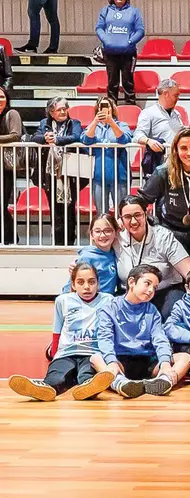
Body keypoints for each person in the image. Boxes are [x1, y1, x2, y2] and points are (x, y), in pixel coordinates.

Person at [8, 264, 114, 401]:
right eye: (80, 282)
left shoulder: (108, 300)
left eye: (92, 282)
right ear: (73, 285)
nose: (87, 287)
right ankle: (43, 389)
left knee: (86, 376)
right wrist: (54, 356)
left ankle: (88, 389)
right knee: (57, 377)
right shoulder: (63, 300)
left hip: (93, 354)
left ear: (98, 284)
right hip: (66, 353)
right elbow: (57, 331)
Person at [137, 127, 190, 265]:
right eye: (184, 148)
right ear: (176, 150)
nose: (189, 153)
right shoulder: (163, 172)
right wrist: (150, 221)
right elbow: (140, 200)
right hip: (172, 233)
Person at [96, 264, 180, 398]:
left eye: (155, 287)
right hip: (120, 362)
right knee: (96, 358)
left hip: (146, 361)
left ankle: (163, 382)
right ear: (131, 282)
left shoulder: (152, 311)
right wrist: (111, 361)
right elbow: (105, 338)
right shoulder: (110, 308)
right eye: (147, 283)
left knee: (184, 358)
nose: (151, 290)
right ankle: (121, 384)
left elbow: (160, 338)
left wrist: (164, 363)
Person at [114, 196, 190, 318]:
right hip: (131, 293)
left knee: (170, 314)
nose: (133, 222)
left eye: (138, 215)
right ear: (121, 219)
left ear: (146, 213)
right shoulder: (117, 237)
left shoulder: (163, 236)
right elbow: (98, 242)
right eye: (127, 217)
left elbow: (189, 271)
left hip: (164, 292)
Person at [31, 96, 86, 246]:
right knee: (55, 209)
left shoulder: (74, 123)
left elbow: (76, 137)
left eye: (65, 108)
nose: (63, 111)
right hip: (50, 173)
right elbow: (35, 137)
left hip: (70, 172)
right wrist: (45, 138)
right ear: (51, 112)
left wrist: (56, 140)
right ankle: (58, 242)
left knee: (69, 207)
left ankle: (70, 241)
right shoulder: (45, 123)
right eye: (59, 109)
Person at [80, 96, 132, 215]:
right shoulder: (93, 125)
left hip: (119, 175)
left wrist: (111, 122)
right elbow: (86, 140)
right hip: (98, 176)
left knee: (122, 213)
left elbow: (125, 139)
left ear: (112, 108)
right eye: (101, 106)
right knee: (101, 213)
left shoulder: (121, 124)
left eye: (106, 106)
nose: (104, 109)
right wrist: (96, 121)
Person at [95, 0, 144, 104]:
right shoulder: (105, 11)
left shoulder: (134, 11)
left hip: (128, 53)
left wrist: (130, 42)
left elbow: (140, 30)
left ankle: (131, 108)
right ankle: (111, 108)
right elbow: (99, 28)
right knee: (112, 82)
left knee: (128, 82)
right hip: (110, 53)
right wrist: (106, 40)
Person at [134, 79, 184, 176]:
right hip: (158, 163)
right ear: (166, 94)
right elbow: (137, 135)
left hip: (177, 163)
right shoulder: (148, 113)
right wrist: (149, 141)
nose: (178, 98)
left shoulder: (177, 114)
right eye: (175, 95)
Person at [63, 215, 119, 294]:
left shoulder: (115, 253)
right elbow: (72, 285)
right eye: (97, 231)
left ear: (116, 233)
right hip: (90, 303)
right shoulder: (86, 257)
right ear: (92, 234)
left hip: (108, 302)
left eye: (108, 230)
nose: (102, 235)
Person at [0, 86, 20, 244]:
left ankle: (9, 239)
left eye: (2, 97)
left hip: (5, 167)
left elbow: (15, 136)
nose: (0, 100)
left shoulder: (11, 114)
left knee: (1, 203)